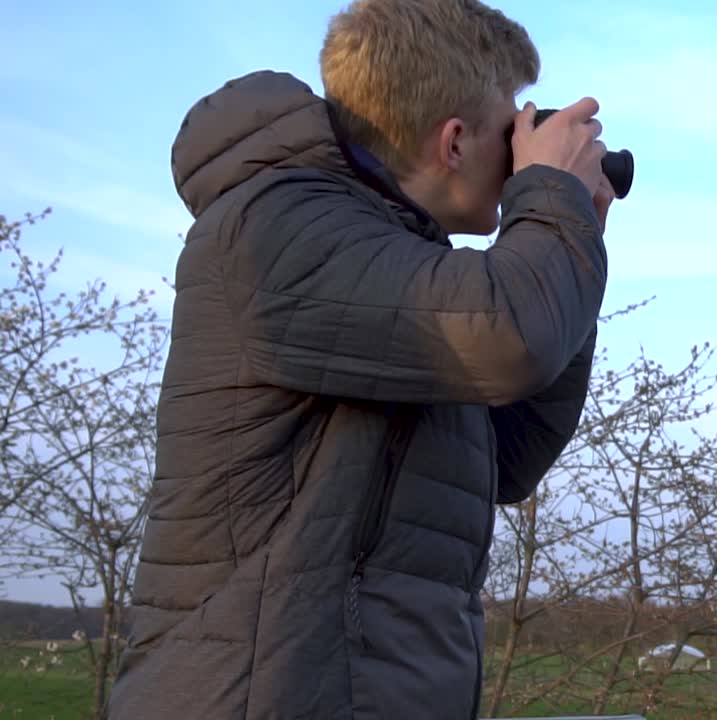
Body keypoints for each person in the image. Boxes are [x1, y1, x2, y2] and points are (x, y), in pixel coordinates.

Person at [106, 0, 610, 717]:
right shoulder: (277, 225)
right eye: (514, 125)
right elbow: (513, 340)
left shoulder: (402, 273)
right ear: (456, 141)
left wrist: (574, 237)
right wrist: (549, 200)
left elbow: (514, 453)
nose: (523, 148)